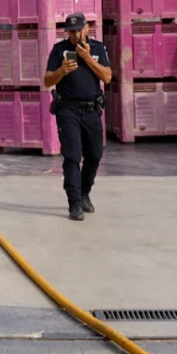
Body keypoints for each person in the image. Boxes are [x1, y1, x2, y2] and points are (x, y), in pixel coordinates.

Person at [43, 12, 112, 221]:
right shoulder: (59, 50)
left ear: (86, 29)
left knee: (95, 155)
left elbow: (107, 77)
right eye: (70, 31)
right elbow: (47, 81)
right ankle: (74, 203)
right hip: (68, 110)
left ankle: (83, 193)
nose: (74, 35)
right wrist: (62, 71)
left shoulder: (98, 49)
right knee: (72, 156)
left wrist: (87, 58)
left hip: (91, 110)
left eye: (78, 30)